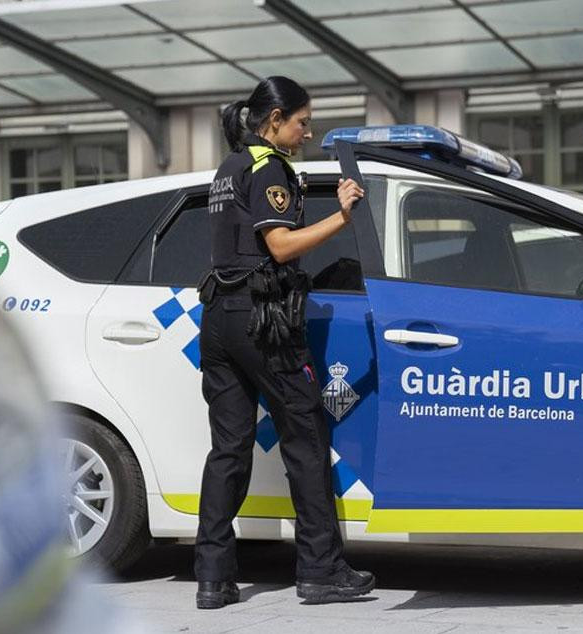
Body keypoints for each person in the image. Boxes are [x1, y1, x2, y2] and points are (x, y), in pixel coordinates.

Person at [194, 76, 373, 609]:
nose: (307, 130)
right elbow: (280, 245)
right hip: (262, 322)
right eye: (301, 121)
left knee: (227, 450)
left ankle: (213, 580)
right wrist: (342, 216)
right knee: (306, 437)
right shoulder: (269, 167)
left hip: (218, 320)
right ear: (275, 120)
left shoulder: (230, 166)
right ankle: (321, 572)